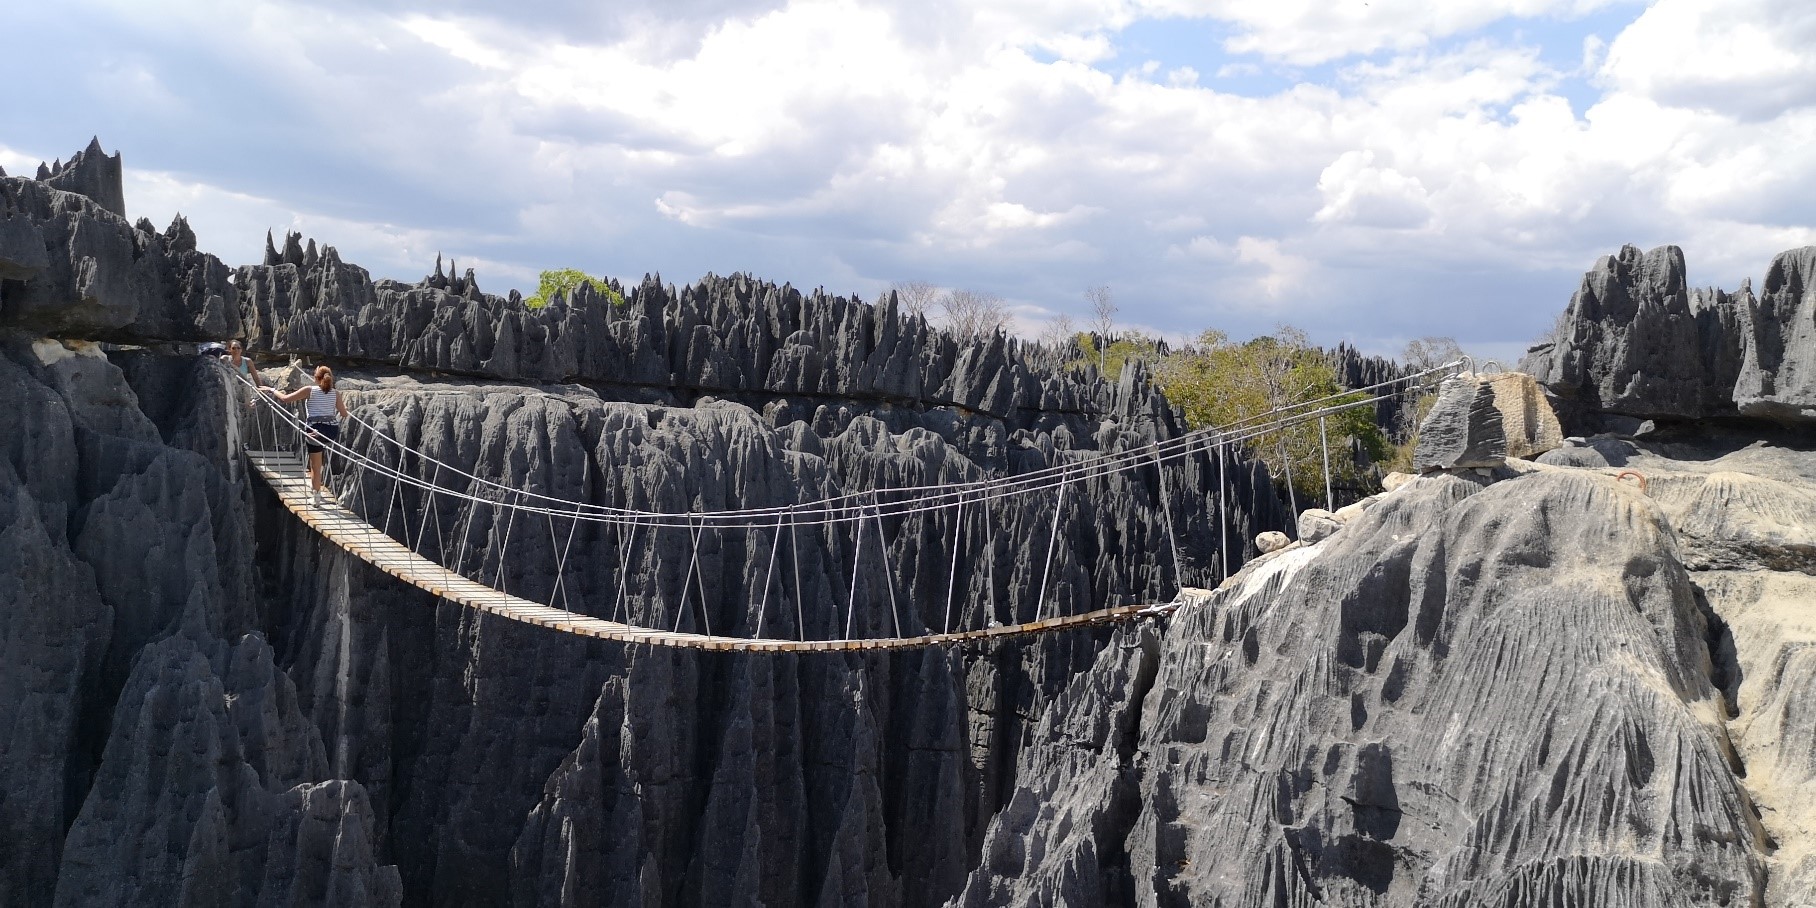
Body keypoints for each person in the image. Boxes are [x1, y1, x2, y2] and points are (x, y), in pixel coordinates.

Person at [265, 365, 348, 506]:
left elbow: (285, 399)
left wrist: (272, 390)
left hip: (315, 431)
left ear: (315, 378)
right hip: (332, 431)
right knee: (319, 459)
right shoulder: (336, 393)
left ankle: (316, 497)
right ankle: (316, 484)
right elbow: (344, 414)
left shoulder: (309, 390)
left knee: (314, 466)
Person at [220, 341, 260, 406]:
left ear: (241, 350)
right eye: (233, 348)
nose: (236, 350)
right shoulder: (225, 359)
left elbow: (255, 377)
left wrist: (261, 389)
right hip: (230, 389)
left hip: (243, 389)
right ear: (229, 349)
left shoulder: (248, 361)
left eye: (238, 348)